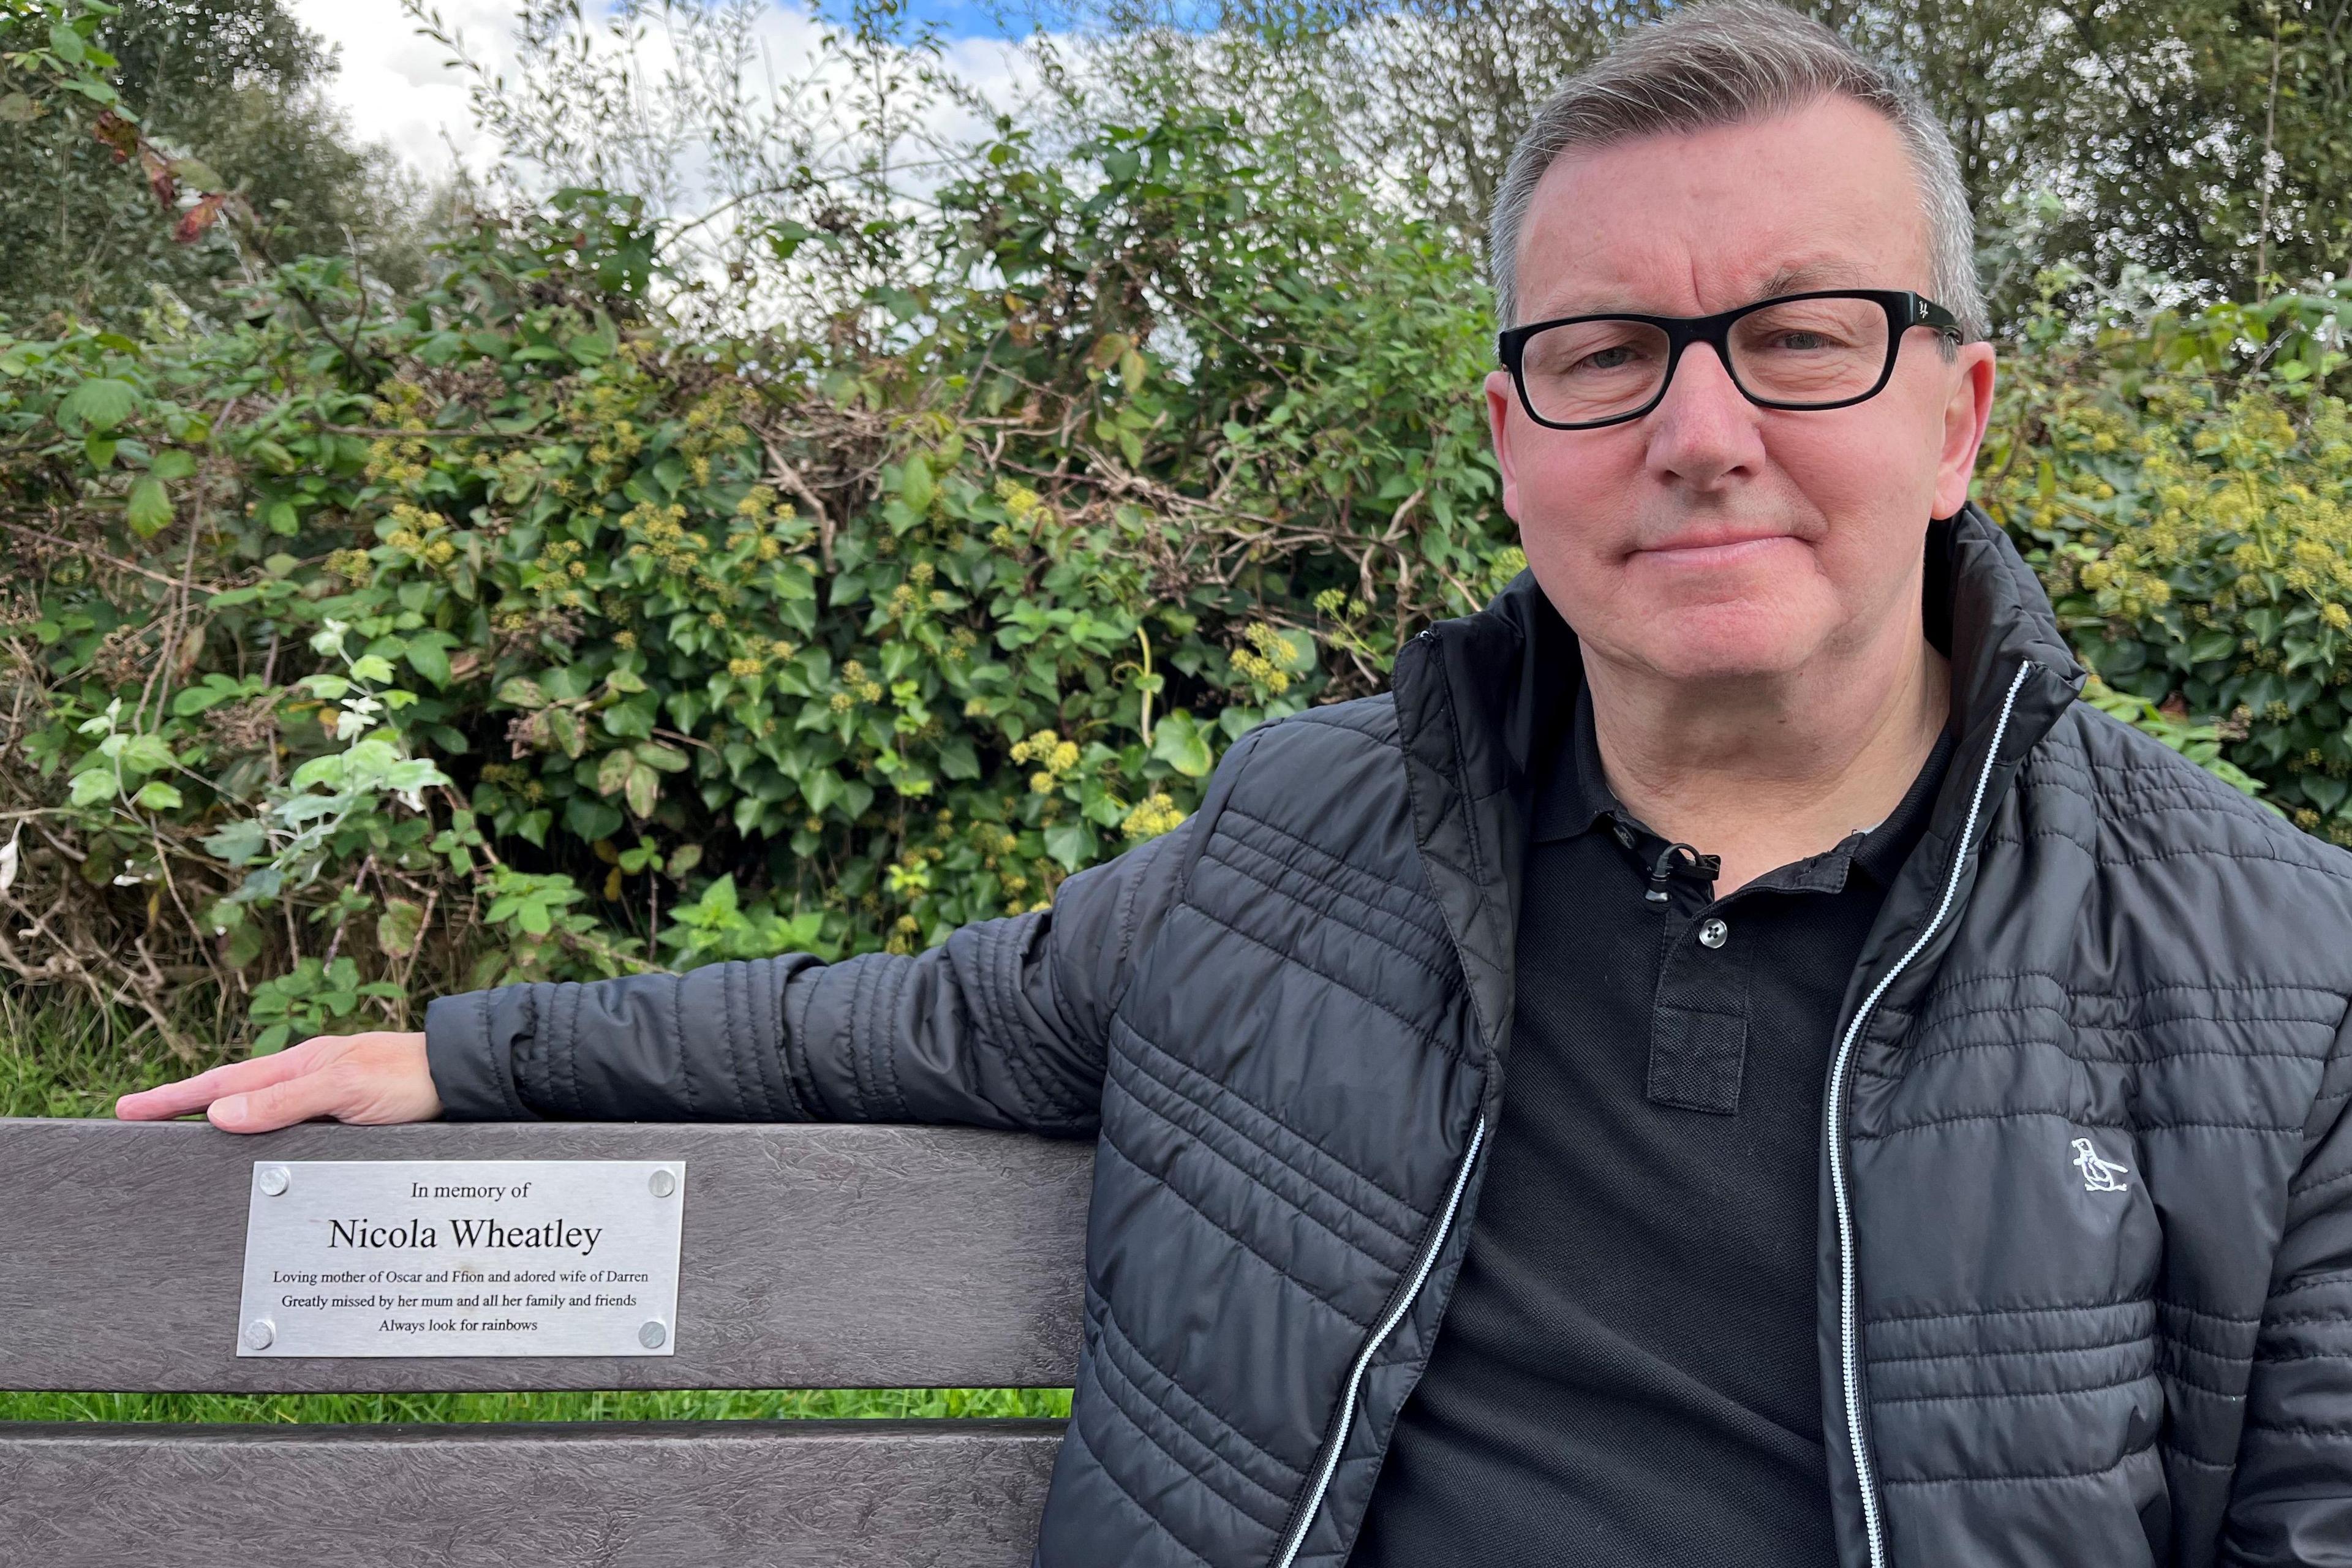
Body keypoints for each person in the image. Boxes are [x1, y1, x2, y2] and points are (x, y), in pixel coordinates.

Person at [119, 3, 2352, 1563]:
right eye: (1603, 353)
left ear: (1960, 415)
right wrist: (457, 1052)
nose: (1699, 431)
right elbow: (918, 1018)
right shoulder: (1310, 849)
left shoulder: (2279, 989)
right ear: (1512, 447)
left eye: (1798, 335)